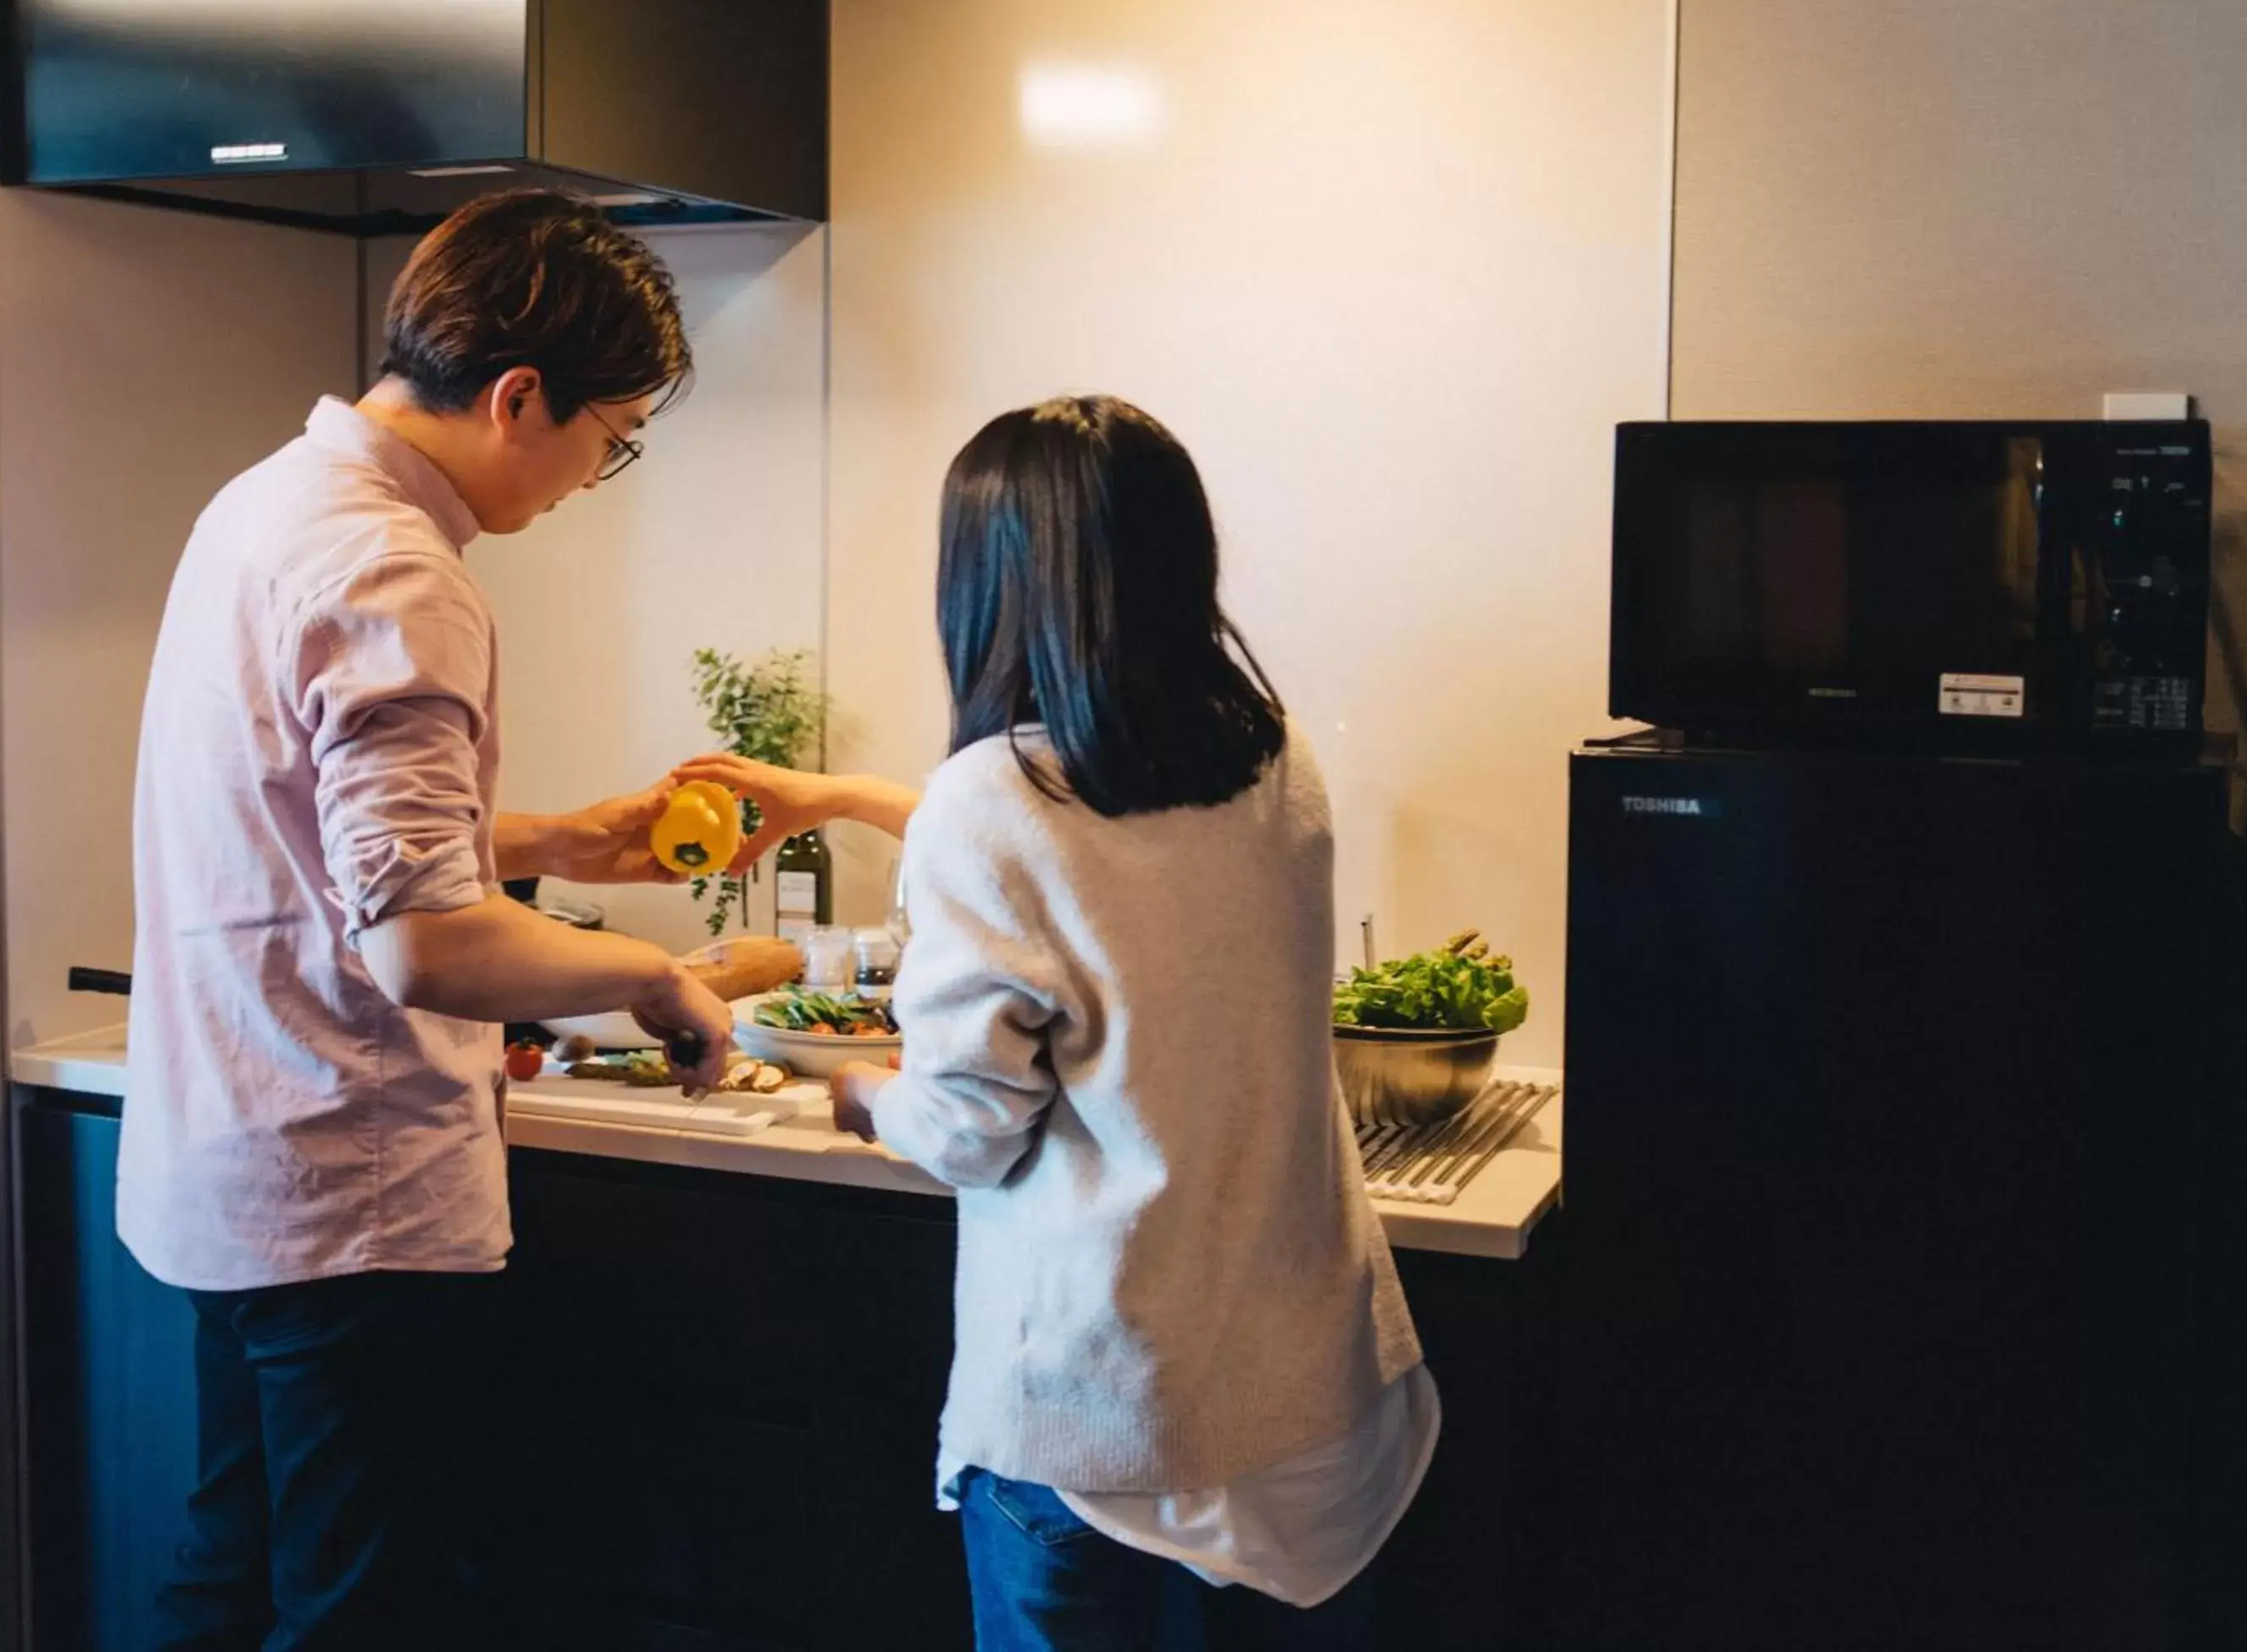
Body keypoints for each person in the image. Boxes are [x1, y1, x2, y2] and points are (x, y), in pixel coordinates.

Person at [118, 190, 790, 1652]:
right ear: (519, 396)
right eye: (609, 442)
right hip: (351, 1195)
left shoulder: (263, 503)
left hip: (231, 1163)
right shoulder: (398, 565)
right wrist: (656, 978)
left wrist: (556, 837)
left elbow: (308, 825)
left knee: (224, 1579)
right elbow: (423, 939)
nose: (589, 476)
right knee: (364, 1614)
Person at [680, 396, 1433, 1650]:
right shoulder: (1272, 758)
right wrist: (840, 795)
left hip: (1104, 1419)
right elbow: (1099, 850)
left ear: (991, 582)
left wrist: (864, 1092)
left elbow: (970, 1126)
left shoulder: (989, 805)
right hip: (1299, 1394)